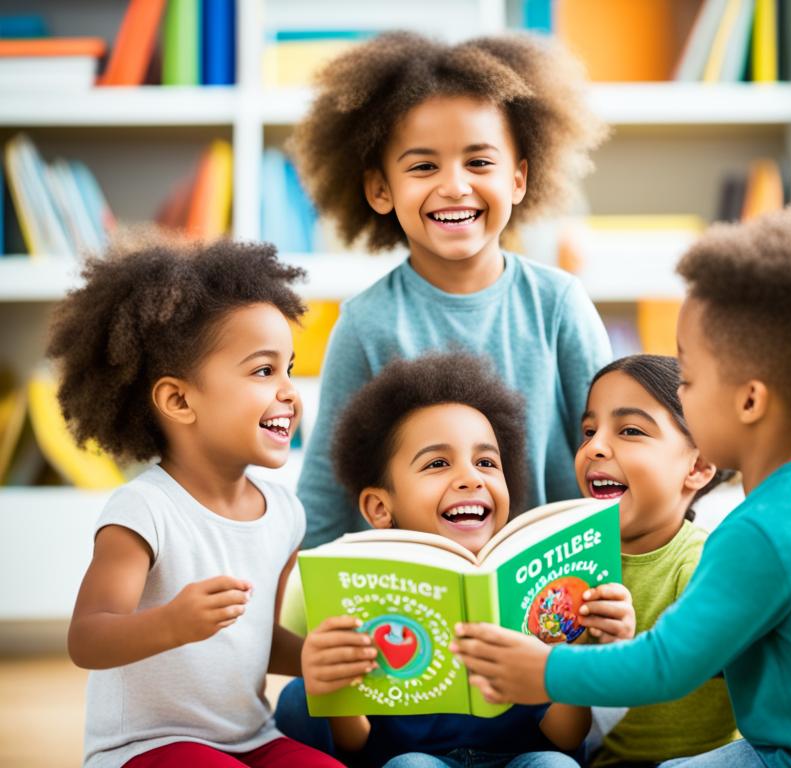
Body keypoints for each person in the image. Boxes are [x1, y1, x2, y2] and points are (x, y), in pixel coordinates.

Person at [453, 209, 791, 768]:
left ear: (749, 401)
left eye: (687, 380)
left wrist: (540, 670)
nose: (681, 394)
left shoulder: (763, 532)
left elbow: (666, 668)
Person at [289, 31, 612, 549]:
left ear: (519, 179)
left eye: (479, 162)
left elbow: (609, 456)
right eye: (423, 166)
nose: (455, 185)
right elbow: (326, 499)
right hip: (419, 593)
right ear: (380, 189)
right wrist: (297, 623)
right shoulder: (366, 323)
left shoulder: (558, 304)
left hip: (554, 594)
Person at [52, 238, 342, 768]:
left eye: (290, 369)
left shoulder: (285, 515)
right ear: (179, 400)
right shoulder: (143, 511)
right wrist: (172, 623)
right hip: (145, 747)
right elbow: (86, 639)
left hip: (252, 738)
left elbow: (259, 640)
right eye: (262, 371)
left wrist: (316, 658)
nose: (289, 392)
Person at [275, 352, 635, 768]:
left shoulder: (526, 582)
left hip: (521, 758)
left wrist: (580, 652)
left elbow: (565, 737)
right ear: (378, 507)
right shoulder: (361, 588)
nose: (471, 477)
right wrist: (330, 684)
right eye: (438, 463)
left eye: (486, 462)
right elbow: (356, 745)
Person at [575, 355, 737, 766]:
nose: (594, 447)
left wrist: (626, 650)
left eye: (630, 430)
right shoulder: (570, 560)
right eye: (589, 431)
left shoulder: (705, 563)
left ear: (697, 466)